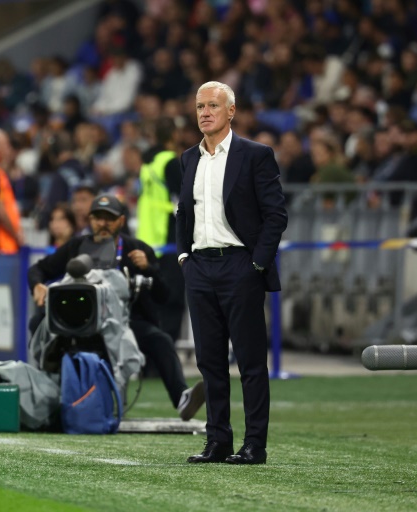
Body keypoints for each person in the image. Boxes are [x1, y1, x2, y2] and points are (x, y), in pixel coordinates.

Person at [176, 82, 287, 464]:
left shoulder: (255, 155)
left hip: (240, 265)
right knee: (209, 361)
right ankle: (218, 440)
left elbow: (276, 214)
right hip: (200, 268)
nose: (204, 112)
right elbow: (183, 213)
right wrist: (183, 258)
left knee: (251, 362)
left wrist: (257, 263)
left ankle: (255, 445)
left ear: (231, 111)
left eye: (212, 106)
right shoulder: (189, 158)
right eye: (199, 106)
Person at [28, 193, 205, 421]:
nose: (103, 223)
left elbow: (164, 296)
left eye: (109, 218)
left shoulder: (136, 250)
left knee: (160, 340)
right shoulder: (76, 247)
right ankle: (48, 397)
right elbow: (38, 269)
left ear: (121, 221)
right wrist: (38, 286)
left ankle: (182, 398)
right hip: (82, 323)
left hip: (127, 323)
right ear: (90, 220)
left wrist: (149, 268)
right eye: (98, 217)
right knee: (38, 324)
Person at [136, 117, 185, 344]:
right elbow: (183, 199)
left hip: (148, 238)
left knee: (153, 298)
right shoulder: (169, 162)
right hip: (168, 237)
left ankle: (151, 352)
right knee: (172, 299)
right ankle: (163, 352)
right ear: (173, 136)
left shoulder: (147, 164)